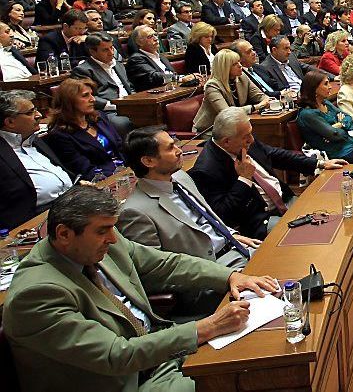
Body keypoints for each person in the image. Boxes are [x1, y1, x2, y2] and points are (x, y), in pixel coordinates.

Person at [3, 185, 279, 392]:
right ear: (63, 234)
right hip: (130, 381)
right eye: (102, 231)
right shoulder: (37, 294)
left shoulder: (98, 243)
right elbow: (117, 355)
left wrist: (230, 276)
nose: (113, 239)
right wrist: (207, 327)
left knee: (264, 353)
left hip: (160, 350)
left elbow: (165, 265)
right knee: (248, 382)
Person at [190, 107, 344, 239]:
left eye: (251, 134)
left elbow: (277, 155)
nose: (251, 139)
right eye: (246, 137)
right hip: (259, 220)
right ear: (226, 142)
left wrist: (319, 163)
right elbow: (223, 215)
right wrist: (243, 179)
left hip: (285, 200)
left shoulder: (244, 138)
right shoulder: (206, 170)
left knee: (331, 215)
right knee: (312, 233)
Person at [119, 127, 259, 269]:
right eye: (170, 148)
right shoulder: (135, 212)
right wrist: (226, 276)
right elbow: (155, 269)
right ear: (148, 161)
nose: (179, 151)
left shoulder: (181, 176)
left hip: (234, 248)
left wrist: (229, 234)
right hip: (212, 269)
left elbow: (205, 216)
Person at [0, 90, 74, 229]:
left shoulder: (36, 140)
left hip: (70, 205)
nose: (39, 115)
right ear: (10, 122)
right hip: (37, 222)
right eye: (30, 113)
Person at [44, 77, 125, 180]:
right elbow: (85, 170)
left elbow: (119, 147)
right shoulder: (60, 135)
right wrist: (118, 176)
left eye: (92, 94)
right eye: (85, 95)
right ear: (69, 101)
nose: (93, 99)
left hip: (124, 173)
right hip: (101, 182)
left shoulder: (99, 118)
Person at [70, 33, 134, 135]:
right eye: (105, 50)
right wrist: (115, 106)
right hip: (108, 111)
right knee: (125, 122)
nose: (111, 53)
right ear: (92, 51)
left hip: (130, 105)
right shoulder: (83, 70)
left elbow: (130, 87)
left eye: (111, 48)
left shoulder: (118, 65)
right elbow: (87, 97)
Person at [193, 49, 270, 133]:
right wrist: (255, 107)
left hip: (234, 127)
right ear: (224, 67)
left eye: (239, 62)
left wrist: (266, 101)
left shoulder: (242, 77)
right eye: (235, 64)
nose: (240, 66)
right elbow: (227, 113)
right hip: (210, 130)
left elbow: (260, 96)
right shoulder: (212, 86)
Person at [297, 71, 353, 162]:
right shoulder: (308, 114)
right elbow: (336, 135)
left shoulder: (326, 103)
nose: (330, 86)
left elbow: (348, 118)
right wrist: (340, 128)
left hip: (352, 144)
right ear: (314, 88)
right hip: (338, 154)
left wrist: (340, 125)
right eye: (325, 84)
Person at [126, 26, 197, 92]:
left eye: (155, 35)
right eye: (150, 37)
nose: (156, 39)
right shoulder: (136, 59)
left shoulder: (161, 57)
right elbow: (154, 77)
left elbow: (171, 74)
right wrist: (180, 78)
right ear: (139, 42)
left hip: (171, 90)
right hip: (152, 97)